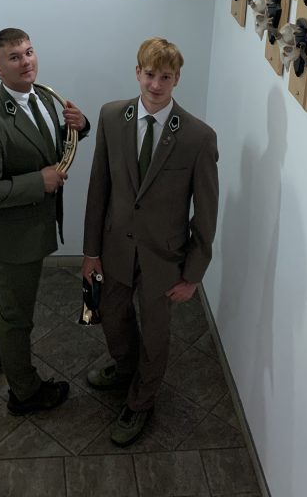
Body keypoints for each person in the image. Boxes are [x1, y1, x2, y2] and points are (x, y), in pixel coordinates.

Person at [82, 37, 219, 446]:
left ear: (177, 79)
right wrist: (90, 252)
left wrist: (193, 274)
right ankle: (126, 366)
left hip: (164, 258)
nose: (156, 85)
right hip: (115, 249)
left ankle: (141, 400)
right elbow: (98, 189)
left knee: (156, 334)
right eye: (150, 74)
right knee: (113, 318)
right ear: (137, 72)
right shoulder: (111, 117)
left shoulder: (198, 137)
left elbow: (206, 212)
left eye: (166, 77)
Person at [0, 27, 88, 415]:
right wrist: (40, 182)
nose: (26, 62)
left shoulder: (43, 99)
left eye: (29, 52)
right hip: (15, 234)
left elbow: (49, 148)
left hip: (23, 229)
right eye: (14, 57)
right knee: (17, 316)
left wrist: (80, 127)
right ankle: (24, 391)